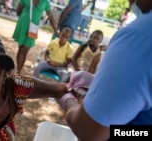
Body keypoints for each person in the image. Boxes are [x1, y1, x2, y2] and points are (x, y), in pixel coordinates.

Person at [57, 0, 152, 140]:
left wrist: (66, 98)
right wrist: (97, 81)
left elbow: (88, 131)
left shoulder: (139, 36)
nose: (131, 3)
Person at [13, 0, 58, 74]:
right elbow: (18, 11)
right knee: (20, 48)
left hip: (32, 29)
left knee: (24, 50)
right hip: (22, 26)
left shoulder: (45, 2)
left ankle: (18, 71)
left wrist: (56, 31)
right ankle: (18, 69)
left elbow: (51, 16)